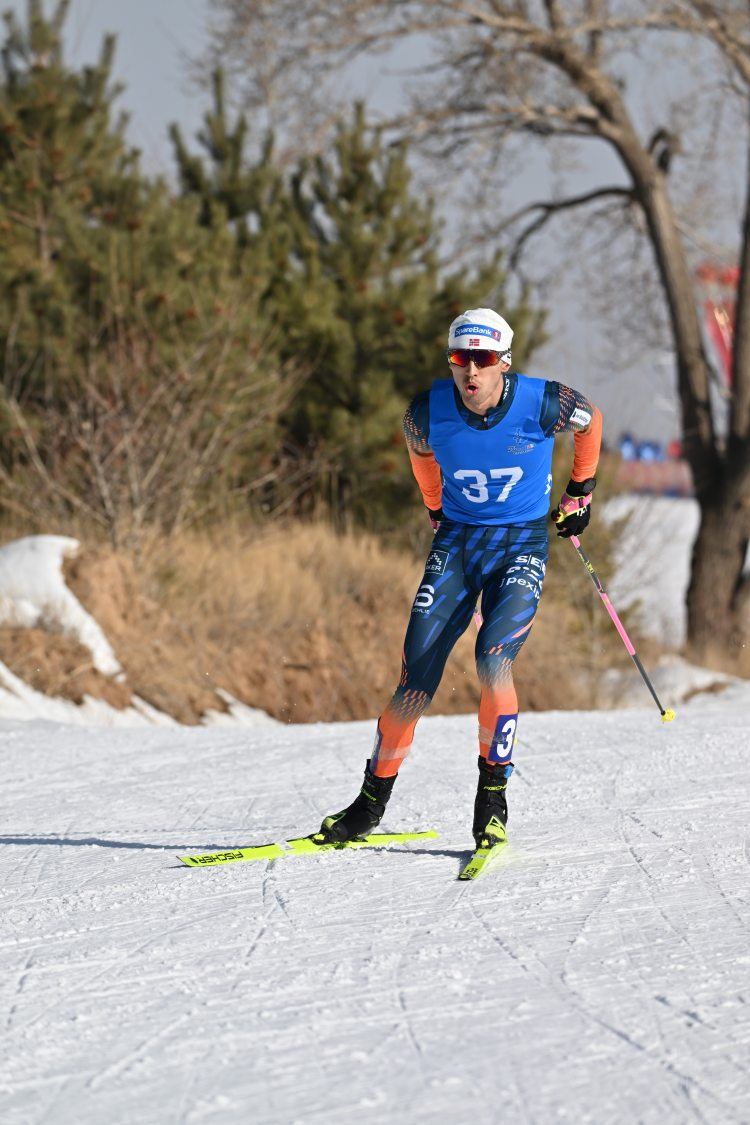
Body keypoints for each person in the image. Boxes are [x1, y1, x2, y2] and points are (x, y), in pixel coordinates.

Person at [318, 308, 602, 851]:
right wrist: (433, 507)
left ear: (504, 362)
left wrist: (579, 492)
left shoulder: (545, 402)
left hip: (519, 544)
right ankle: (369, 804)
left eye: (484, 359)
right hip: (457, 544)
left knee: (493, 661)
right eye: (460, 358)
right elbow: (420, 453)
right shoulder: (424, 412)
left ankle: (492, 800)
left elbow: (593, 424)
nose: (471, 371)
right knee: (413, 680)